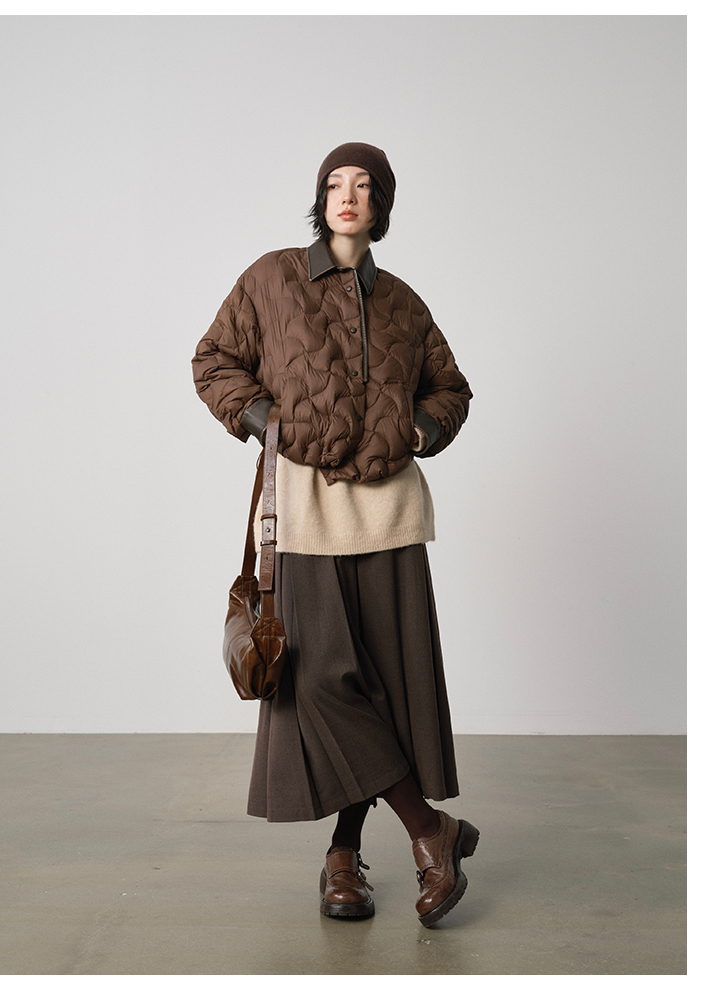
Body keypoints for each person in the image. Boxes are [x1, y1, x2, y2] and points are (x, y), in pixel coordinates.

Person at [192, 142, 479, 927]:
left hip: (388, 518)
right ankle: (430, 831)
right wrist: (270, 424)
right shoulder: (272, 277)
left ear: (381, 204)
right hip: (306, 515)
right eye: (333, 184)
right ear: (320, 200)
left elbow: (450, 389)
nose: (346, 196)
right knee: (320, 682)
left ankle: (343, 857)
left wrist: (418, 432)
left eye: (363, 186)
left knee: (380, 687)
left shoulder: (404, 304)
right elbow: (213, 361)